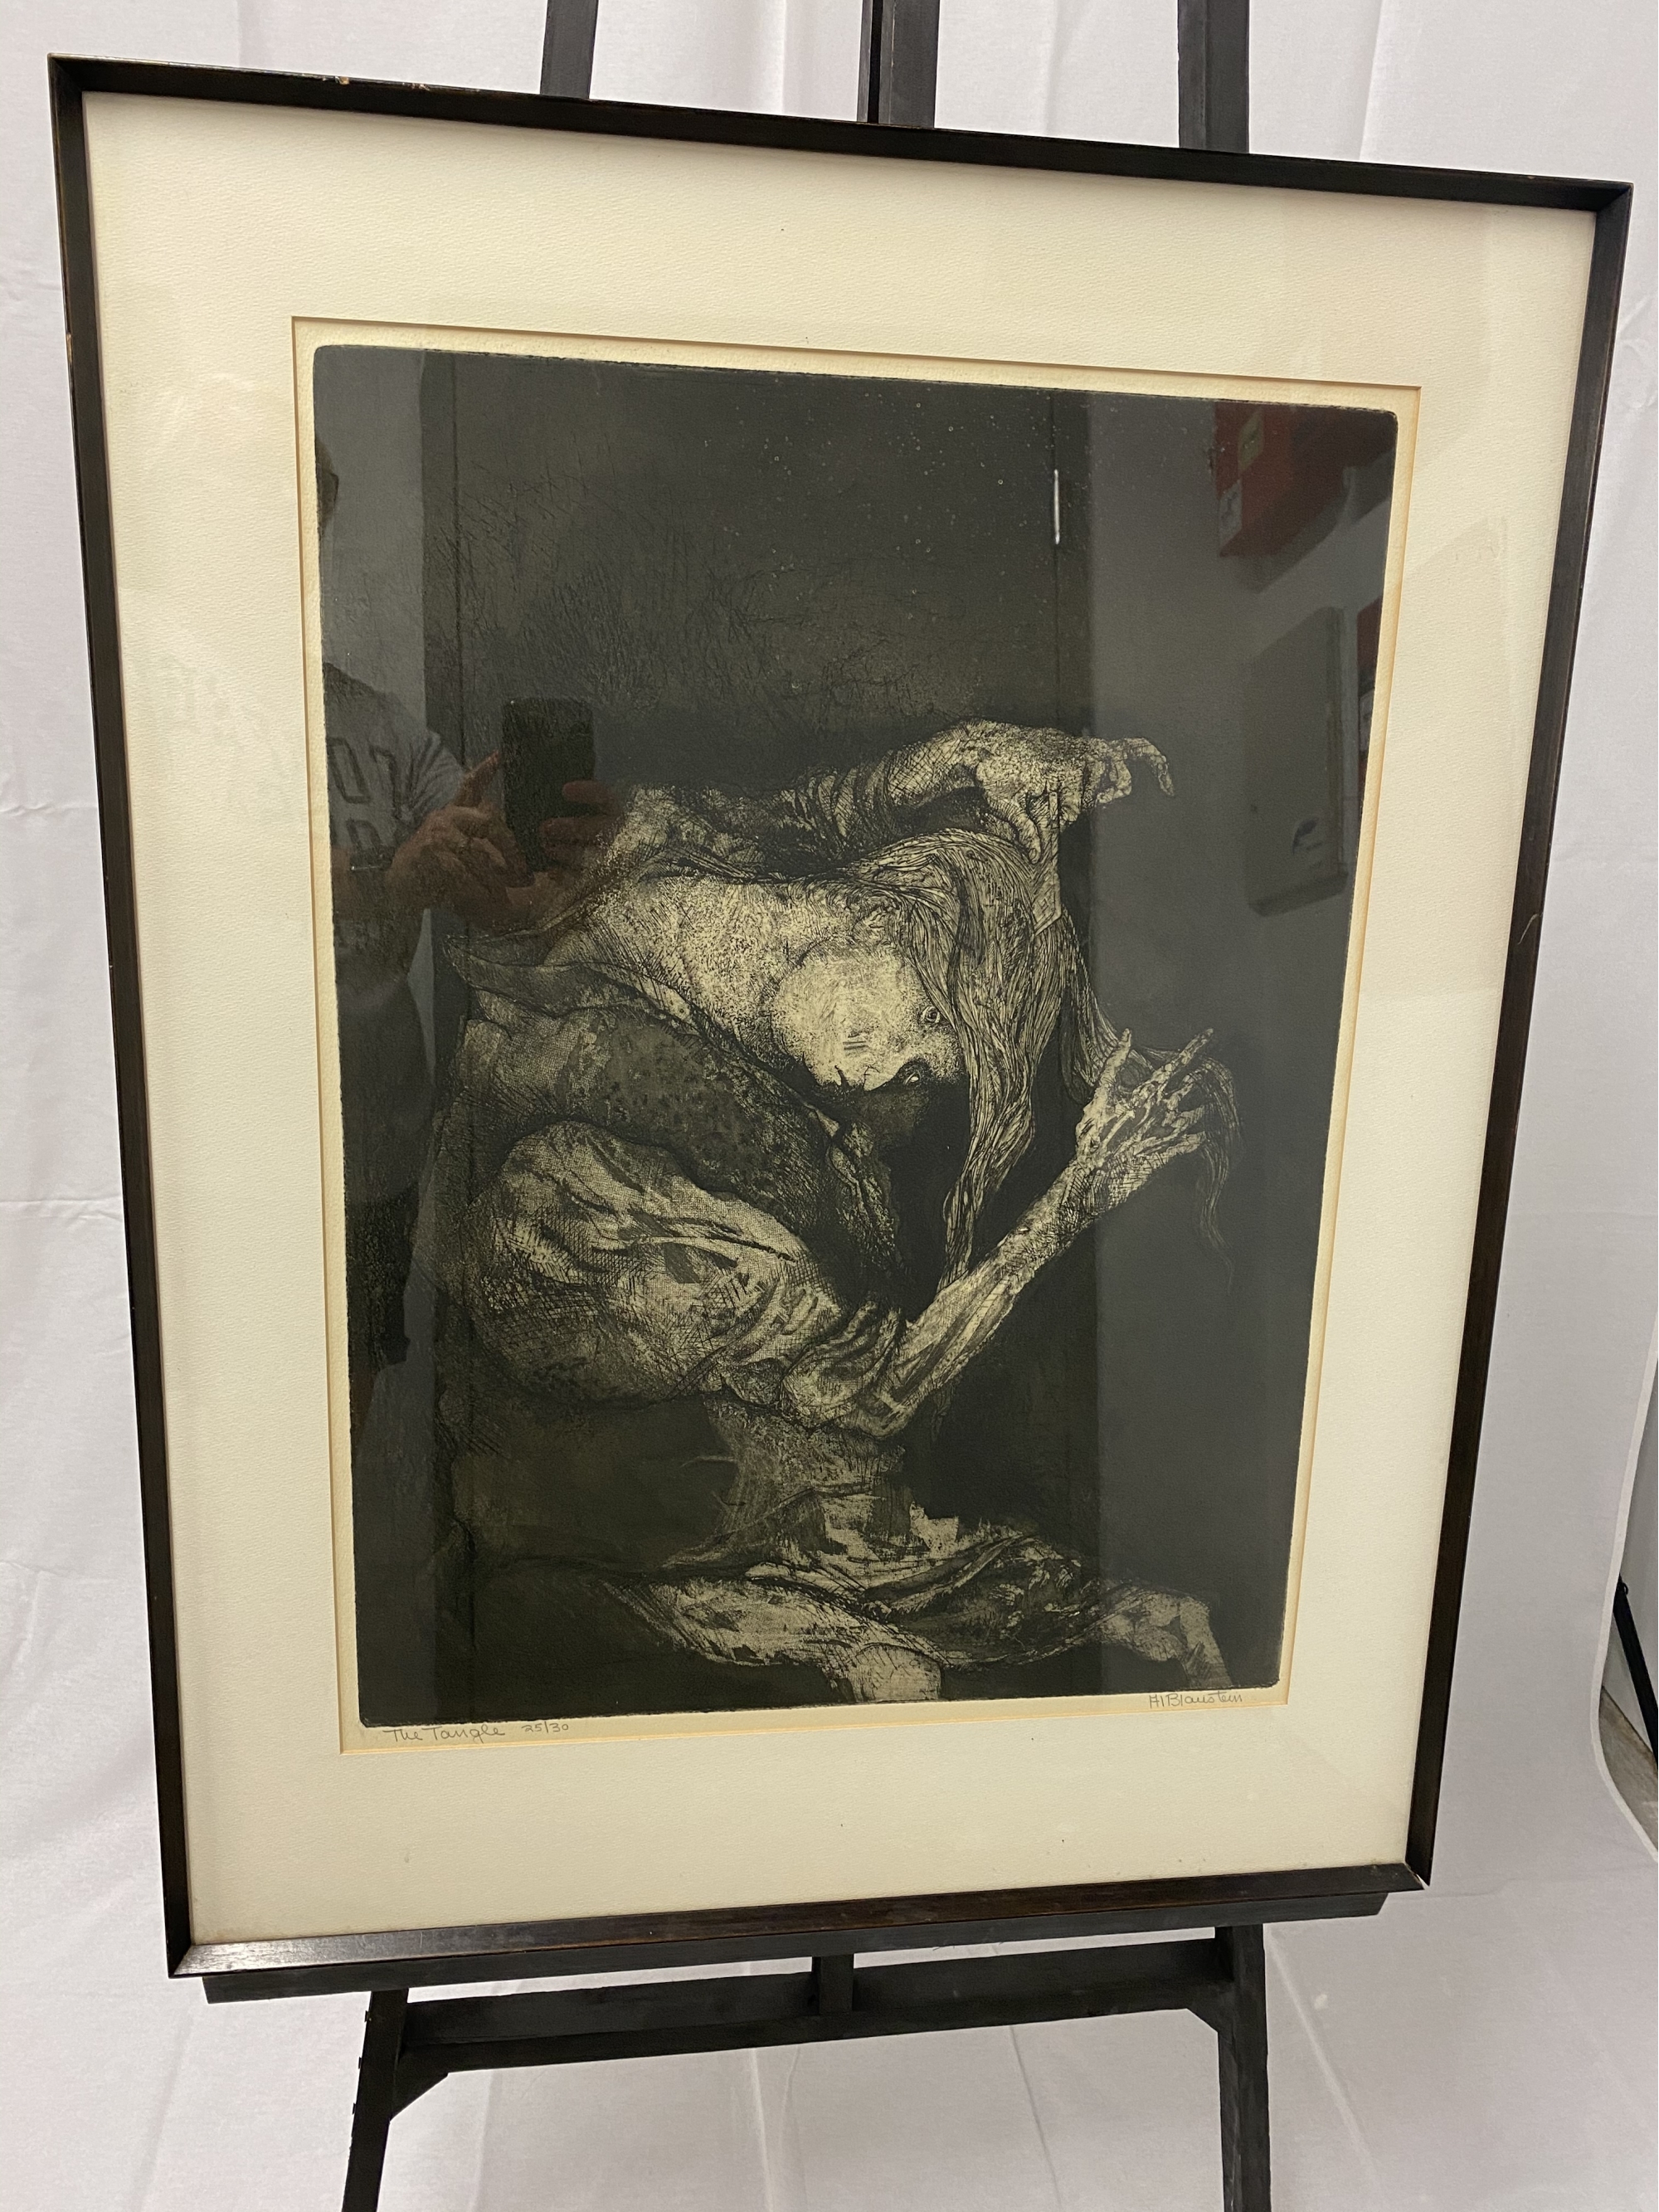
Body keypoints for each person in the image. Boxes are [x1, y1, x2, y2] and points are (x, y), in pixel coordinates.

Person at [421, 719, 1241, 1713]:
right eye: (925, 1013)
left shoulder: (794, 1132)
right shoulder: (705, 899)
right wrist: (964, 754)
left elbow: (866, 1392)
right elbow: (805, 820)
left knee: (922, 1591)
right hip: (585, 1461)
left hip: (698, 1431)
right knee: (884, 1638)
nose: (894, 1060)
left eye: (929, 1059)